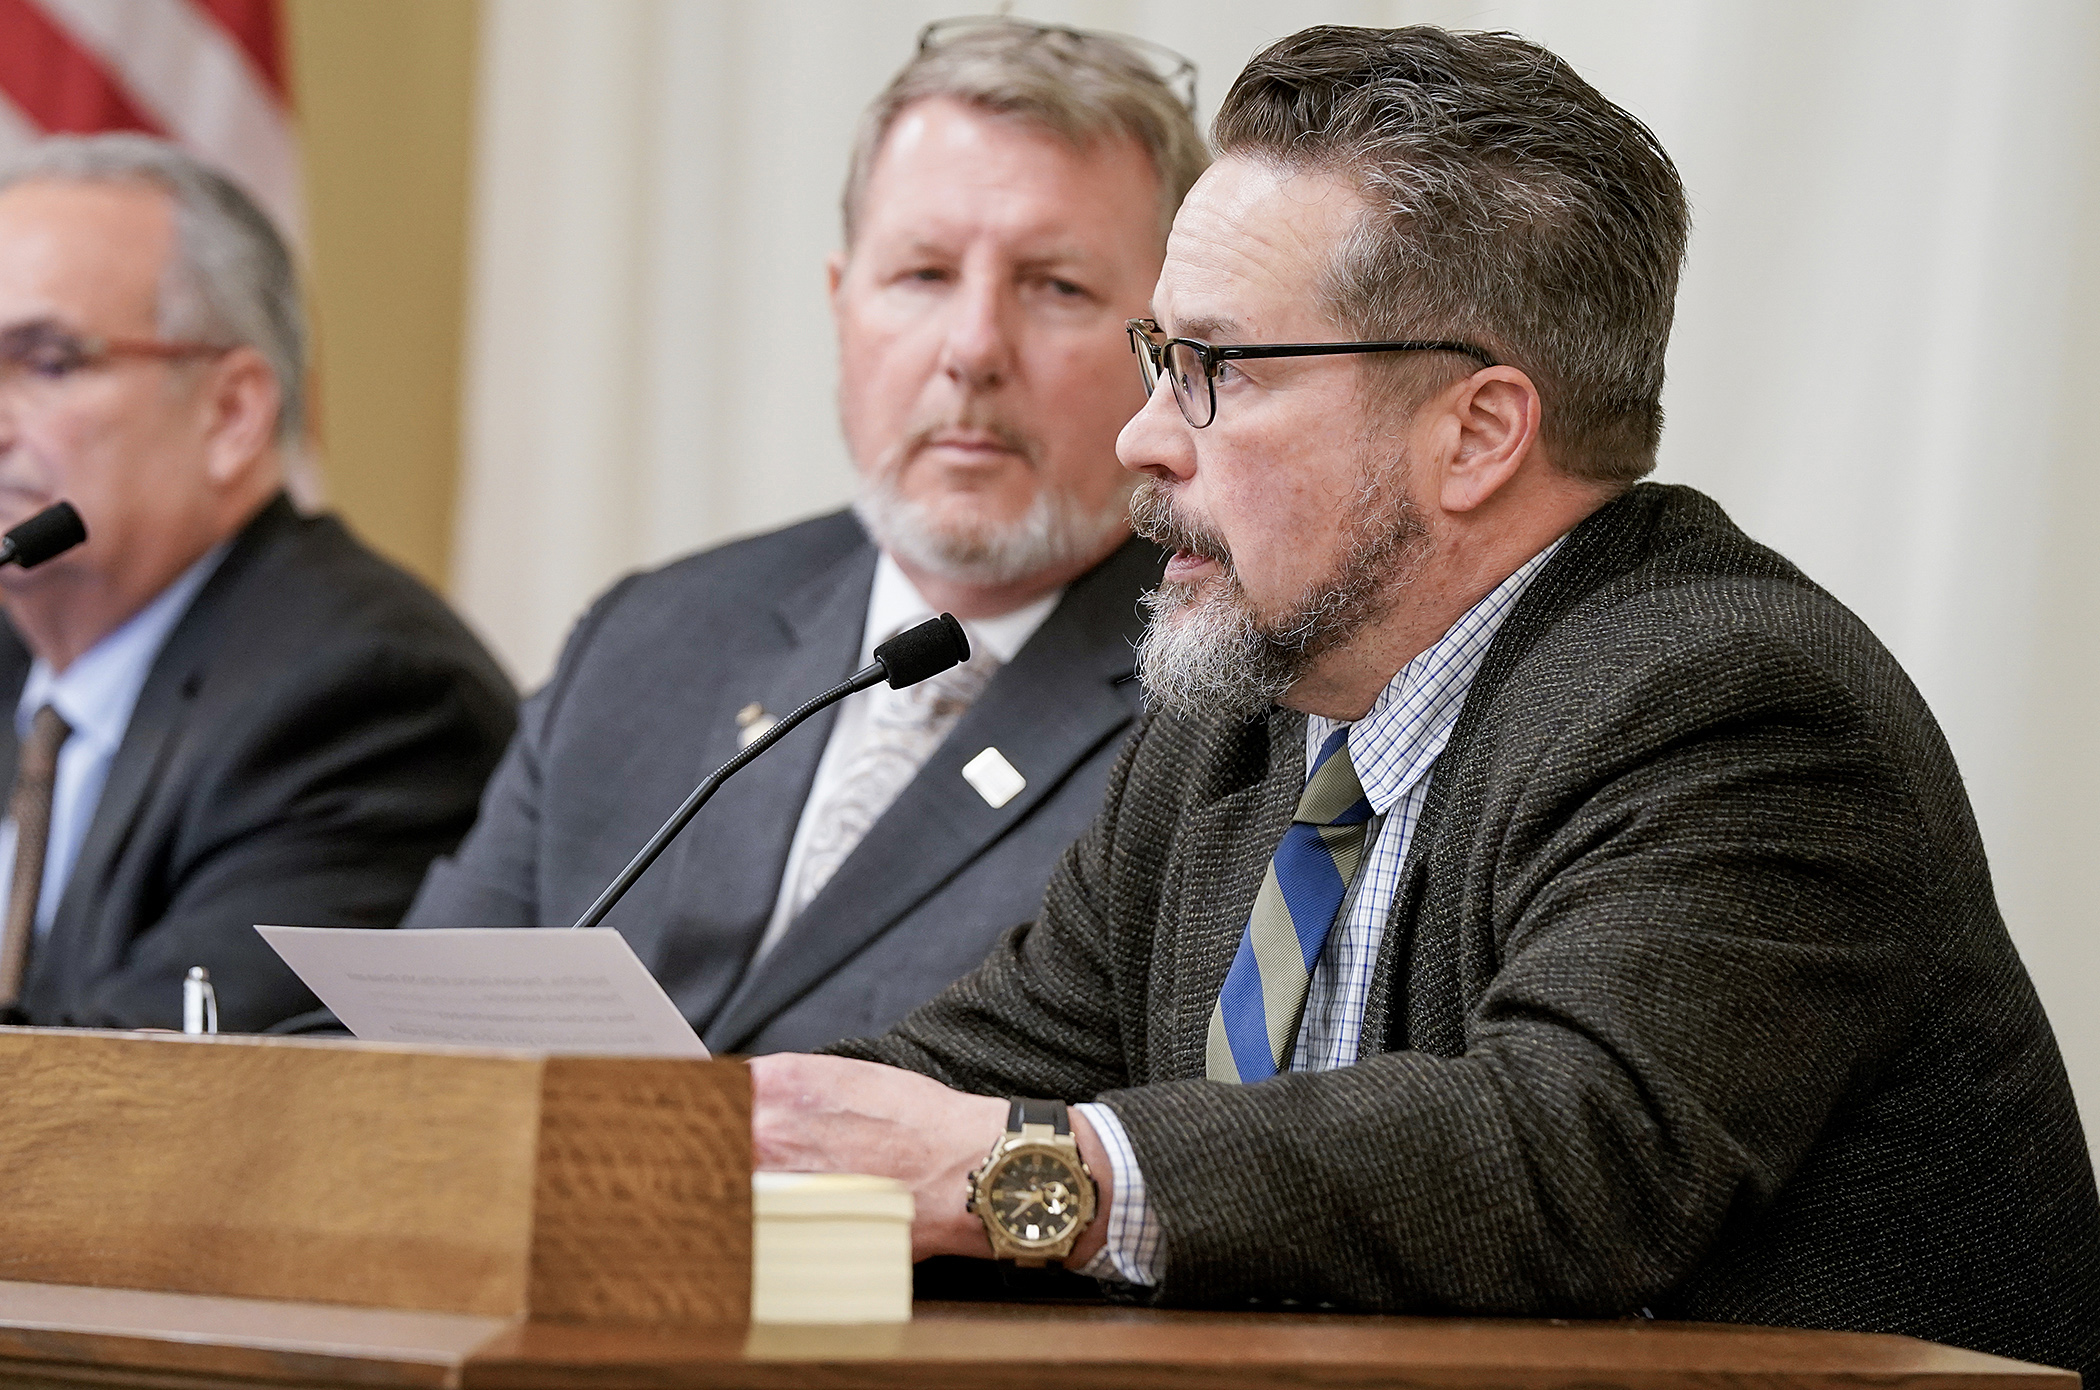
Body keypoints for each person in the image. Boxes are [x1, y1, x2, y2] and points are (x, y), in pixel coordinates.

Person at [747, 24, 2100, 1375]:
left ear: (1475, 433)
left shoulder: (1732, 706)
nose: (1143, 436)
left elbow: (1567, 1149)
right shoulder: (1236, 717)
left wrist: (1038, 1172)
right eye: (1161, 357)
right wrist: (638, 1144)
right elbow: (956, 1080)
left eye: (1219, 369)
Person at [402, 21, 1206, 1057]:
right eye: (921, 275)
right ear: (841, 307)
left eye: (1057, 287)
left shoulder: (1228, 699)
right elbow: (415, 1039)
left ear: (1169, 349)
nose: (971, 351)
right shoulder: (650, 638)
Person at [0, 135, 517, 1032]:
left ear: (232, 413)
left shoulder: (367, 700)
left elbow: (137, 1090)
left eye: (47, 362)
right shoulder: (18, 652)